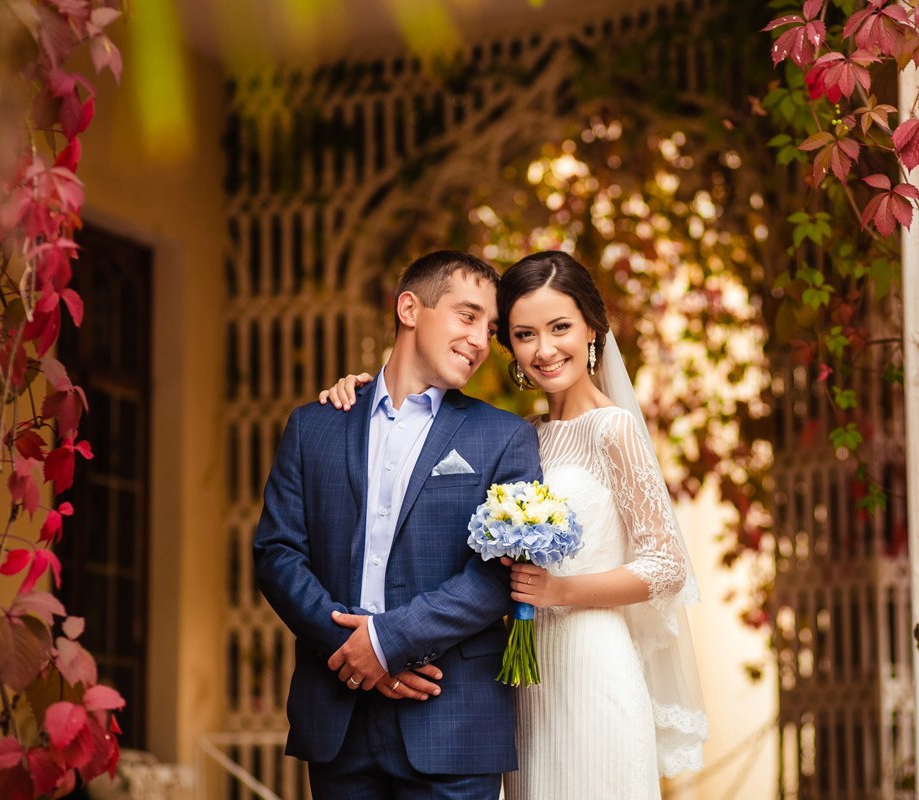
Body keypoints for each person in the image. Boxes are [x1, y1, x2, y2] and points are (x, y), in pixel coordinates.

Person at [322, 250, 707, 798]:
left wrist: (560, 590)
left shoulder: (614, 429)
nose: (544, 350)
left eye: (560, 328)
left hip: (591, 662)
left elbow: (667, 566)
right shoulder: (519, 435)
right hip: (523, 680)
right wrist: (359, 394)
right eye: (525, 334)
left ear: (593, 328)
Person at [254, 250, 543, 800]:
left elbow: (497, 576)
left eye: (491, 327)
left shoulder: (504, 437)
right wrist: (353, 649)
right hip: (338, 715)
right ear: (409, 307)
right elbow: (277, 553)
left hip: (450, 719)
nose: (481, 340)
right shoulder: (314, 424)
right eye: (467, 315)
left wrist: (386, 643)